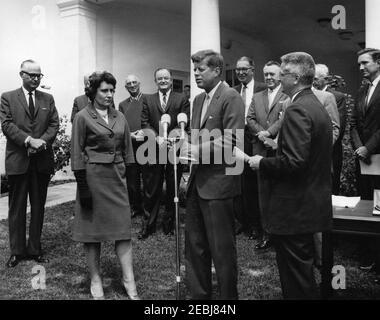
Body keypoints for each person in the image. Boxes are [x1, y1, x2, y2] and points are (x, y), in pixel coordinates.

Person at [248, 52, 333, 299]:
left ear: (295, 78)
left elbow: (294, 163)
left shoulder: (297, 108)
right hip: (310, 206)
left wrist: (262, 162)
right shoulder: (315, 105)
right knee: (302, 275)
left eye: (282, 74)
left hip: (295, 209)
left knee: (297, 281)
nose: (277, 79)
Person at [71, 71, 139, 300]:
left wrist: (130, 183)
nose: (109, 95)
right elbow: (77, 153)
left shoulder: (120, 116)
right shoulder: (82, 116)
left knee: (123, 231)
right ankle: (96, 279)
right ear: (93, 92)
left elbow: (128, 151)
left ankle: (129, 280)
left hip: (117, 180)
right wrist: (83, 187)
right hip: (92, 180)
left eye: (112, 90)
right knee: (92, 234)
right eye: (104, 90)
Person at [185, 49, 245, 299]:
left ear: (217, 70)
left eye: (201, 69)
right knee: (195, 248)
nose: (196, 74)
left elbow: (231, 140)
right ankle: (200, 299)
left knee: (222, 251)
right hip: (196, 184)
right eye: (195, 69)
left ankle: (227, 300)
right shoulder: (198, 100)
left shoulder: (231, 96)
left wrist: (194, 150)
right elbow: (194, 136)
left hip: (219, 186)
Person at [0, 59, 59, 268]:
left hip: (41, 161)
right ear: (21, 74)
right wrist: (28, 140)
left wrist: (42, 141)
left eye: (38, 75)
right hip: (18, 161)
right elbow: (6, 124)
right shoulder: (7, 98)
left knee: (38, 207)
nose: (35, 79)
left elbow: (54, 123)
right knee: (16, 208)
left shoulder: (48, 99)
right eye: (31, 75)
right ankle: (17, 251)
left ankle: (34, 249)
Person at [140, 68, 190, 239]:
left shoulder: (181, 98)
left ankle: (169, 224)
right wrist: (156, 138)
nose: (163, 81)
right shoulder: (148, 99)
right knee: (151, 189)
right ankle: (148, 225)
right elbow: (144, 122)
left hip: (173, 150)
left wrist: (171, 137)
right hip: (153, 149)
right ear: (155, 81)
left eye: (166, 78)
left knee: (172, 189)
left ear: (171, 80)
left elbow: (185, 122)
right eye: (159, 78)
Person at [246, 60, 290, 250]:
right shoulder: (257, 96)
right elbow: (249, 118)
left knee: (280, 192)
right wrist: (261, 133)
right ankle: (266, 233)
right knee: (262, 192)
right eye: (266, 74)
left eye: (272, 74)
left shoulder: (287, 95)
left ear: (280, 75)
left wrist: (269, 132)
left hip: (279, 150)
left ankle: (282, 233)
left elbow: (285, 119)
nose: (269, 77)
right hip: (260, 150)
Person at [350, 48, 380, 281]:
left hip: (378, 156)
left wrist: (368, 147)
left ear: (378, 63)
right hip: (364, 159)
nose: (360, 67)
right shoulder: (362, 89)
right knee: (366, 205)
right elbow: (353, 123)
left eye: (365, 63)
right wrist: (360, 147)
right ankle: (368, 255)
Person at [233, 56, 266, 239]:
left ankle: (255, 224)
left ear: (253, 69)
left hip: (255, 139)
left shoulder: (262, 88)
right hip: (236, 138)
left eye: (244, 69)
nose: (241, 72)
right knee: (236, 179)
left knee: (252, 182)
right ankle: (240, 221)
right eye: (238, 69)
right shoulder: (233, 91)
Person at [314, 64, 347, 195]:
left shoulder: (337, 97)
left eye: (316, 79)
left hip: (330, 151)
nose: (313, 82)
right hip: (312, 153)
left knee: (331, 189)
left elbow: (339, 126)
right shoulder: (308, 95)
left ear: (326, 79)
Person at [119, 74, 146, 218]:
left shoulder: (148, 99)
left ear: (139, 83)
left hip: (147, 144)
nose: (132, 85)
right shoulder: (122, 105)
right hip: (130, 146)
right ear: (126, 87)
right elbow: (121, 126)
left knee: (148, 178)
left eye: (134, 82)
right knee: (132, 179)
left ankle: (149, 206)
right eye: (129, 83)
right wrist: (130, 135)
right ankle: (136, 207)